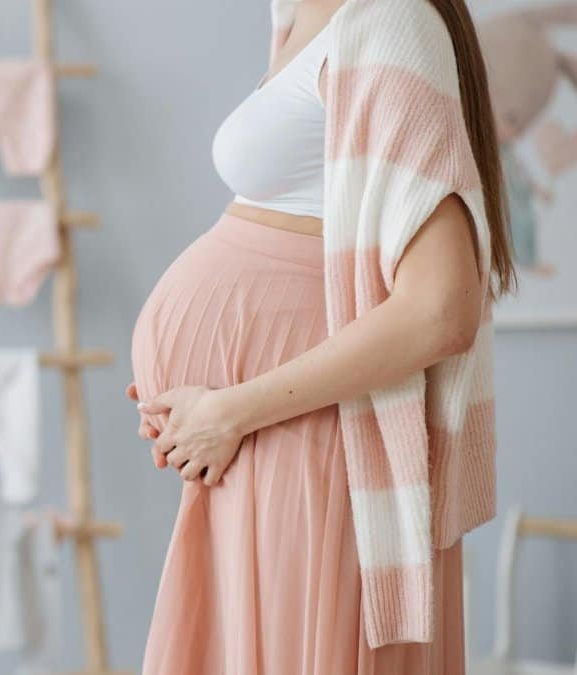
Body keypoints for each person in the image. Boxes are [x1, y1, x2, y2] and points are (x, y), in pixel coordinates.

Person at [127, 0, 515, 673]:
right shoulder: (296, 16)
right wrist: (194, 408)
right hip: (260, 440)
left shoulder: (390, 22)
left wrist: (229, 410)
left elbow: (441, 308)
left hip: (315, 440)